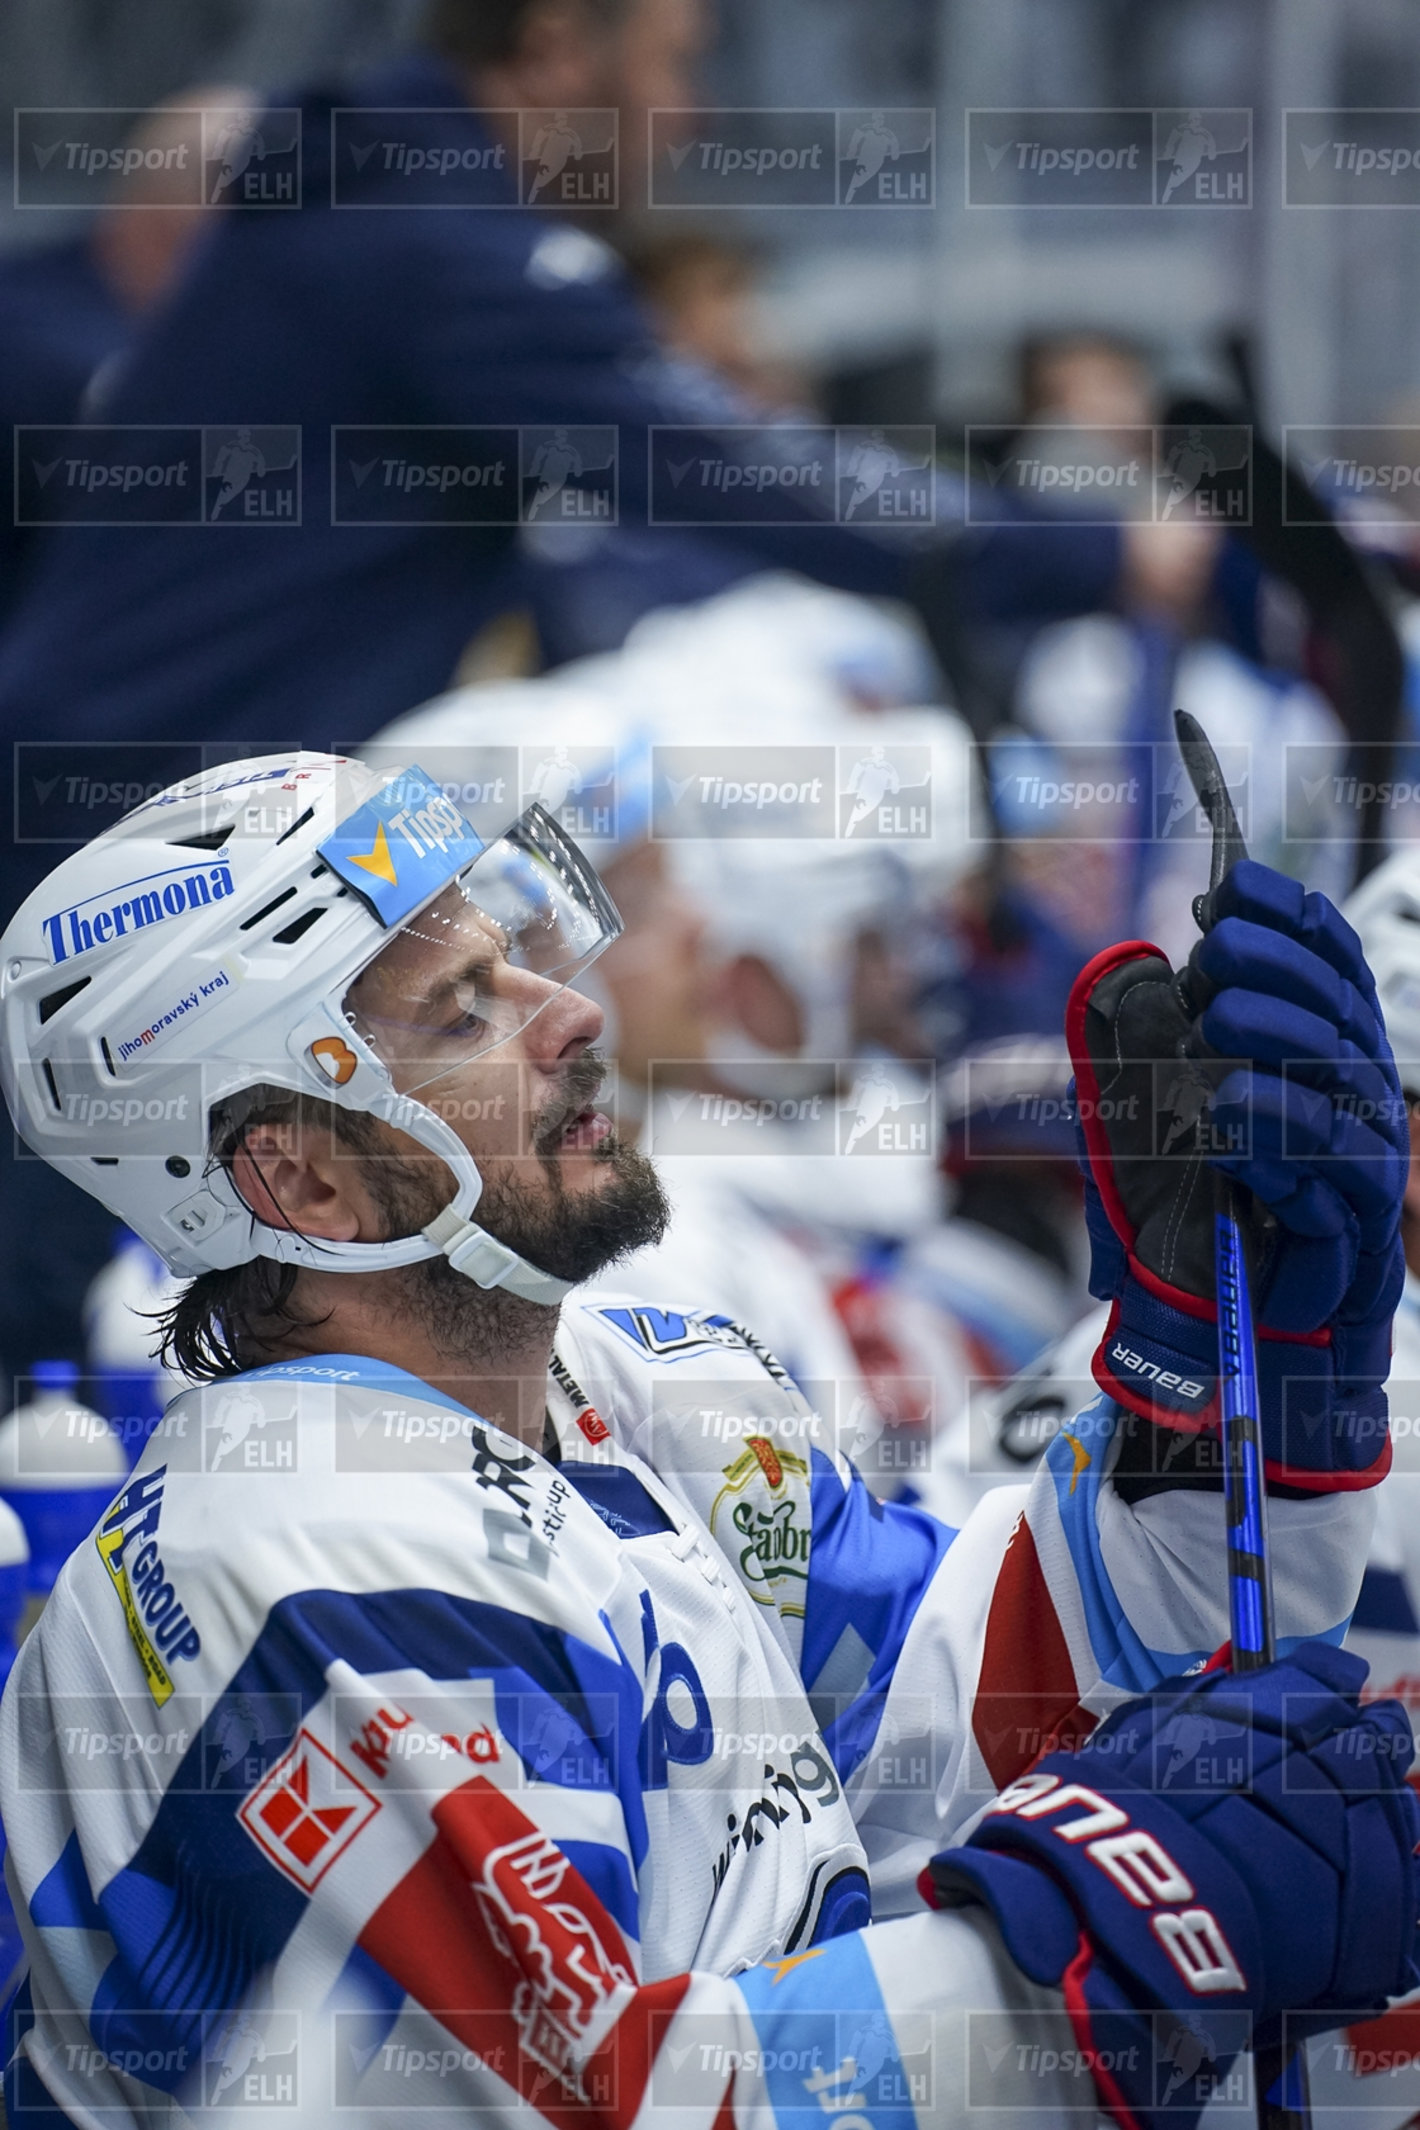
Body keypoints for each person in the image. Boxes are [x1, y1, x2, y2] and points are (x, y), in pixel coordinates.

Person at [0, 751, 1414, 2129]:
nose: (571, 1012)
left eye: (524, 953)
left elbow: (957, 1713)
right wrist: (1078, 1960)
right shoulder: (301, 1583)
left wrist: (1221, 1392)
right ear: (304, 1178)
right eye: (461, 1009)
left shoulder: (639, 1389)